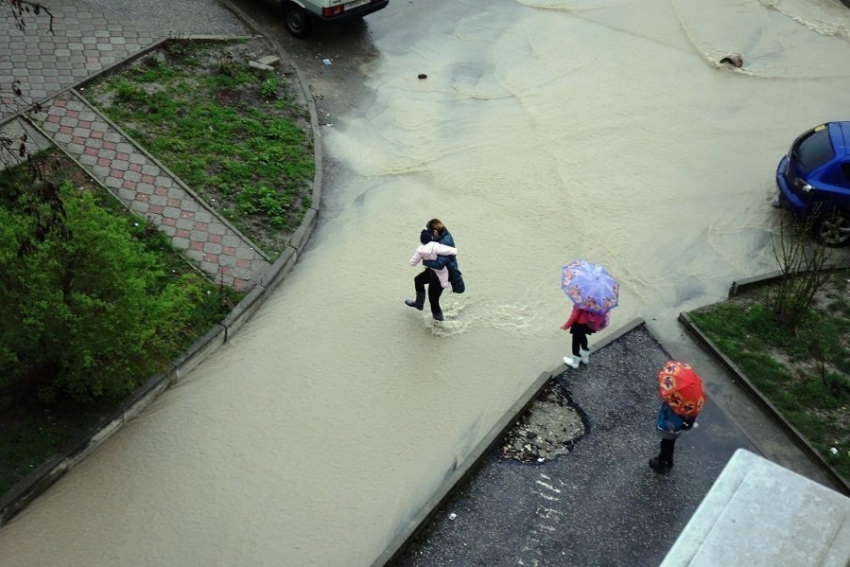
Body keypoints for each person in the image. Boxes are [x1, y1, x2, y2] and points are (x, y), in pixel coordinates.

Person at [404, 218, 459, 322]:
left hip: (443, 273)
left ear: (434, 232)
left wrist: (426, 262)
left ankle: (439, 323)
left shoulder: (444, 243)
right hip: (434, 271)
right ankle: (419, 304)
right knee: (418, 280)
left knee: (433, 299)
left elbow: (440, 263)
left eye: (429, 231)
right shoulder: (440, 236)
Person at [649, 400, 697, 474]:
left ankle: (661, 463)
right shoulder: (692, 407)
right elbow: (688, 424)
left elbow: (671, 417)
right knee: (670, 443)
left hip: (669, 428)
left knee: (665, 445)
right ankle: (668, 461)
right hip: (675, 430)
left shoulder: (675, 404)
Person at [560, 305, 608, 369]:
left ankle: (574, 362)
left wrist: (566, 326)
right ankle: (585, 358)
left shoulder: (580, 303)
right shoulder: (591, 301)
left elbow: (574, 316)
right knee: (583, 338)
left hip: (578, 325)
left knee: (575, 341)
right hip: (586, 324)